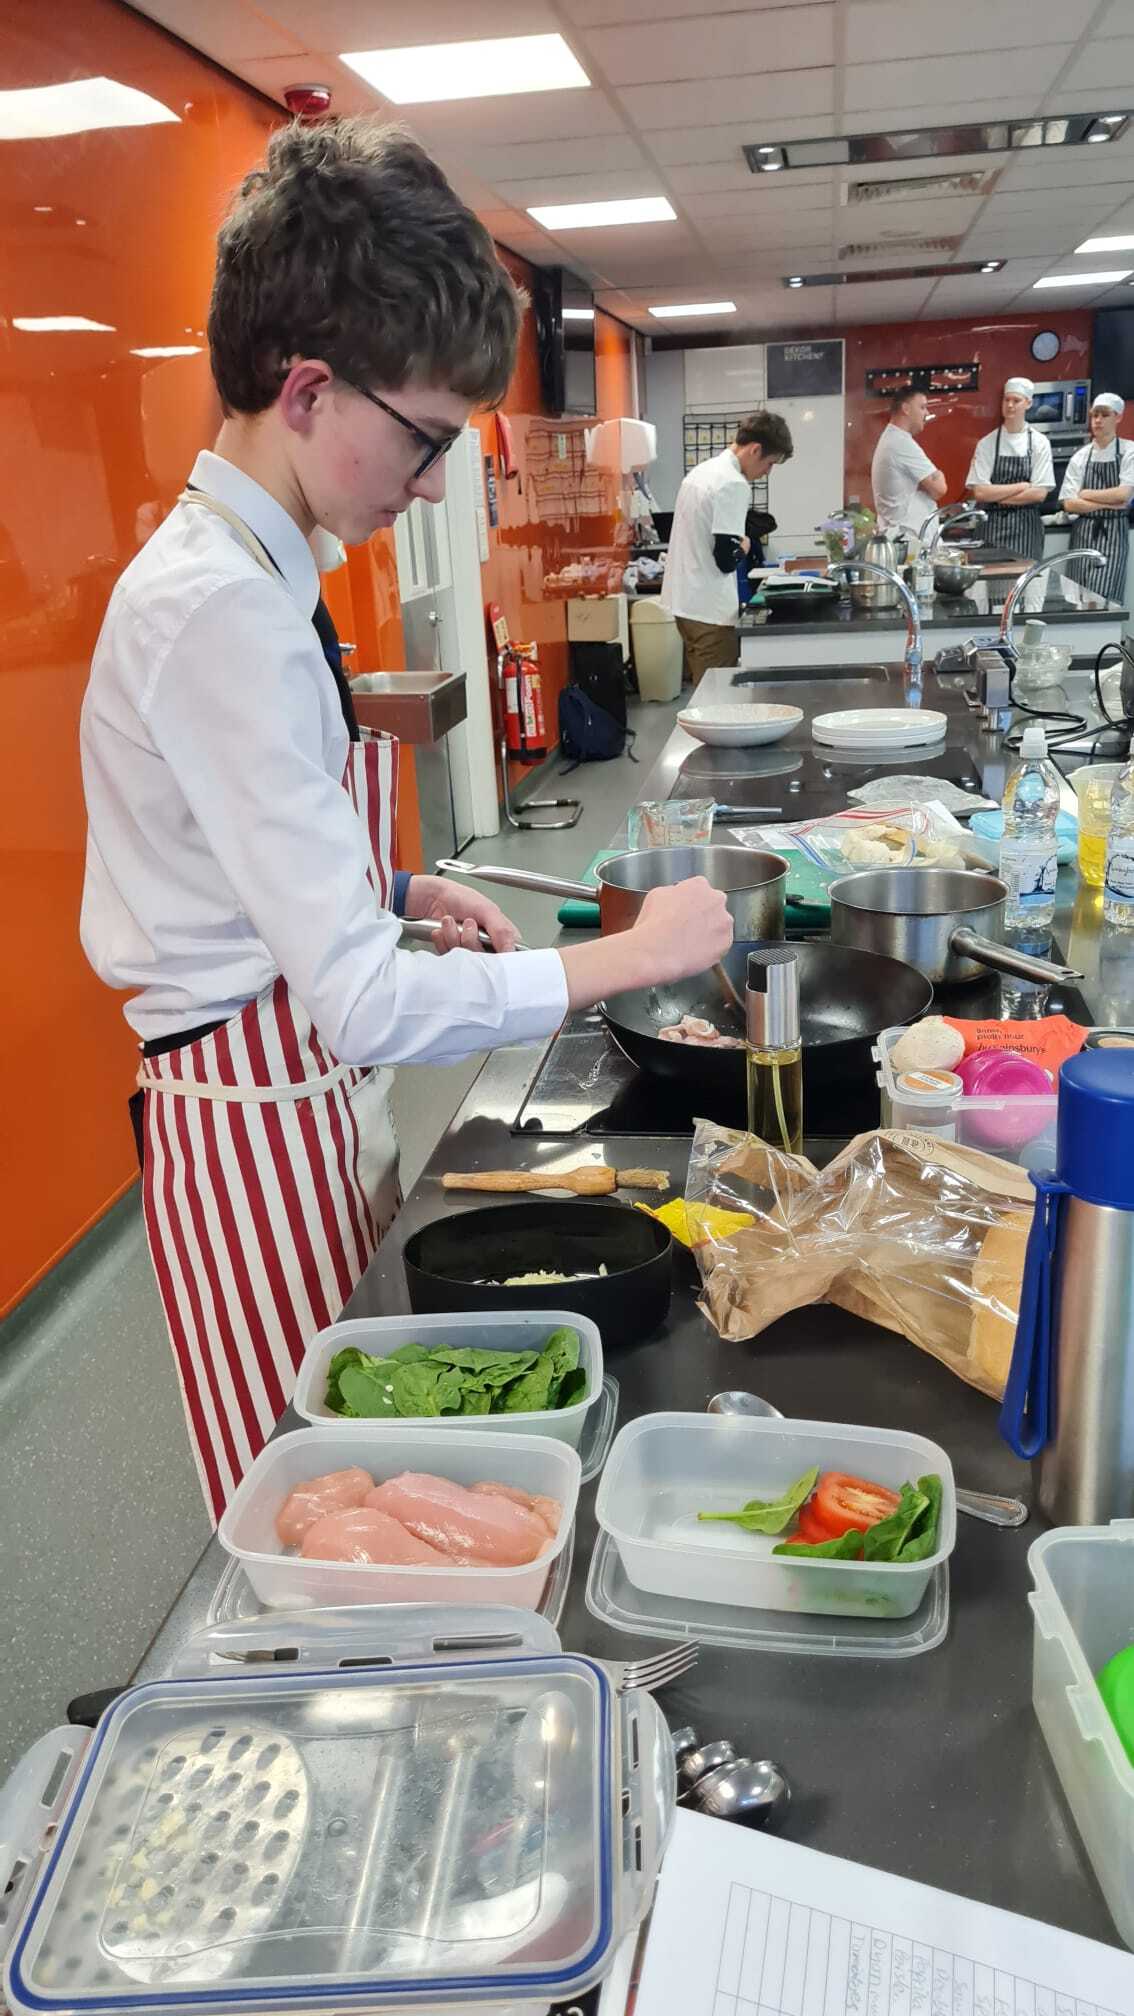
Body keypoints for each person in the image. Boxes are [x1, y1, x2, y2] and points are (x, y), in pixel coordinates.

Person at [79, 117, 732, 1523]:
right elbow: (368, 1007)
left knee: (372, 1469)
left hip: (297, 1101)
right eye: (425, 439)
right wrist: (624, 958)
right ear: (308, 390)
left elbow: (220, 846)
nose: (433, 482)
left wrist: (390, 890)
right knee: (318, 1513)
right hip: (251, 1135)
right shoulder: (221, 609)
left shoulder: (260, 569)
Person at [661, 411, 793, 687]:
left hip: (684, 603)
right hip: (710, 611)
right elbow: (725, 559)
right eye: (770, 463)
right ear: (755, 450)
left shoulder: (702, 472)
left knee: (703, 689)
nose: (767, 472)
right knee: (717, 697)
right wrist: (744, 545)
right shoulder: (733, 483)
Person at [965, 377, 1053, 564]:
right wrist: (1022, 486)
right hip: (990, 529)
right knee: (988, 582)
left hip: (1026, 530)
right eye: (1007, 400)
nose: (1010, 405)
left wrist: (995, 496)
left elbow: (1039, 494)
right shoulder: (987, 443)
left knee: (1025, 581)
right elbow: (980, 493)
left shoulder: (1039, 443)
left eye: (1016, 400)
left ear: (1028, 403)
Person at [1060, 392, 1134, 605]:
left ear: (1118, 417)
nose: (1098, 420)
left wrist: (1085, 494)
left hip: (1113, 536)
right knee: (1077, 599)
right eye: (1095, 415)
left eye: (1104, 415)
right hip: (1082, 534)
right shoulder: (1081, 456)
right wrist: (1109, 503)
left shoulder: (1129, 451)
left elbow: (1123, 494)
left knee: (1103, 600)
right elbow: (1069, 503)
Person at [870, 389, 946, 542]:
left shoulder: (892, 438)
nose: (927, 413)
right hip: (909, 541)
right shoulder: (901, 443)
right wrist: (939, 474)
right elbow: (939, 489)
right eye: (922, 407)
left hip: (905, 537)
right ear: (906, 409)